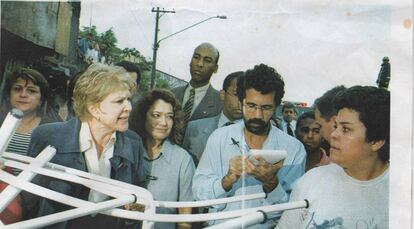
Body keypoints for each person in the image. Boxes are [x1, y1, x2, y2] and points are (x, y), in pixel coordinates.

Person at [22, 63, 146, 228]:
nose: (129, 108)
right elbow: (29, 200)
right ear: (94, 108)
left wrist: (134, 211)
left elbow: (137, 201)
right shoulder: (48, 136)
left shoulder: (134, 142)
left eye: (129, 99)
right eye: (119, 101)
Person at [192, 64, 306, 228]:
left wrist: (271, 184)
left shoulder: (294, 150)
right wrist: (227, 180)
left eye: (266, 108)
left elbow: (292, 213)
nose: (257, 115)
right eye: (251, 106)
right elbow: (198, 195)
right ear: (241, 102)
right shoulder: (219, 138)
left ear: (276, 107)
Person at [276, 86, 389, 229]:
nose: (334, 135)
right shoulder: (311, 181)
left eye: (346, 129)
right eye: (336, 126)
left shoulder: (400, 196)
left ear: (376, 141)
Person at [129, 89, 195, 229]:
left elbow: (185, 219)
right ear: (143, 116)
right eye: (156, 115)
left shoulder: (183, 160)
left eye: (169, 116)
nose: (164, 123)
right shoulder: (127, 150)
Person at [0, 67, 60, 175]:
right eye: (17, 89)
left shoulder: (51, 129)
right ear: (9, 94)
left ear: (41, 98)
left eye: (31, 91)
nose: (23, 95)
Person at [182, 71, 243, 164]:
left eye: (245, 96)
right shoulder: (194, 128)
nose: (241, 102)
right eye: (236, 95)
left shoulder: (257, 135)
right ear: (222, 95)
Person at [171, 43, 223, 124]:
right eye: (196, 57)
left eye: (207, 60)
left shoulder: (220, 103)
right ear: (190, 61)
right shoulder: (171, 94)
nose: (199, 64)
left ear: (215, 68)